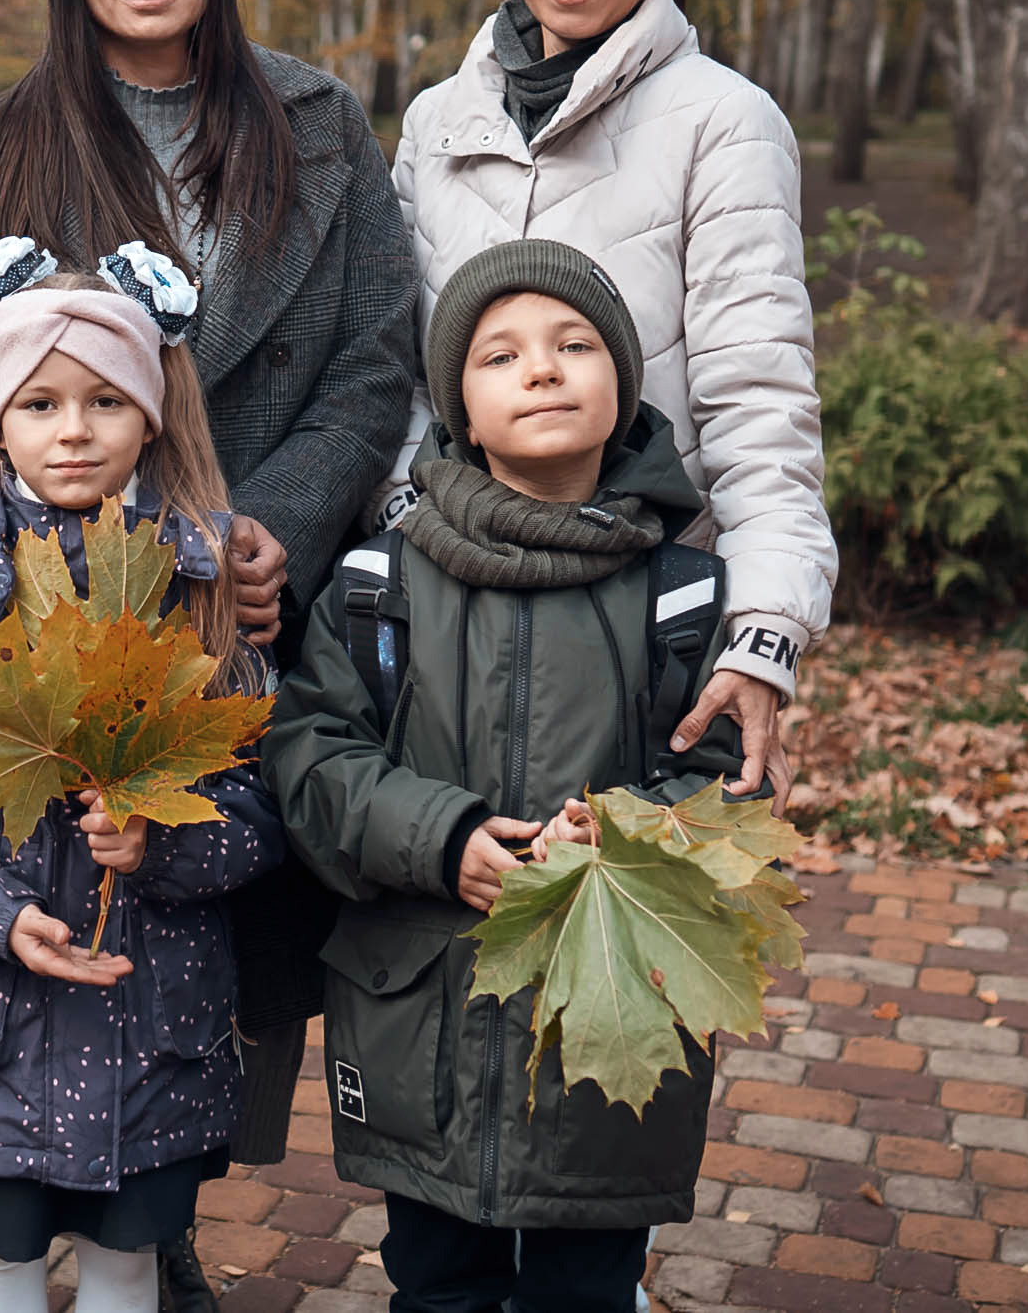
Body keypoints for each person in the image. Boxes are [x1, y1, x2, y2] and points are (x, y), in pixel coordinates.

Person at [0, 0, 417, 1301]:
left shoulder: (321, 123)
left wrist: (256, 528)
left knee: (216, 906)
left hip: (263, 592)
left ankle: (164, 1211)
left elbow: (374, 357)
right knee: (71, 886)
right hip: (44, 622)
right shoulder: (7, 149)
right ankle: (55, 1204)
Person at [265, 238, 752, 1313]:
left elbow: (730, 791)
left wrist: (619, 839)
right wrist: (443, 836)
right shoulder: (379, 587)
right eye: (500, 354)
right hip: (420, 1018)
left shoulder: (680, 595)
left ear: (622, 388)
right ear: (458, 413)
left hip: (607, 1024)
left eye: (574, 344)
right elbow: (313, 760)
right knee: (436, 1284)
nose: (541, 368)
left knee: (587, 1287)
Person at [0, 246, 283, 1313]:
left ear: (155, 413)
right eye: (39, 400)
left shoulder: (203, 584)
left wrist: (165, 842)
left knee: (129, 1256)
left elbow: (264, 803)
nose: (72, 428)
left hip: (152, 1020)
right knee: (4, 1251)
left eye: (104, 400)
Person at [383, 0, 834, 813]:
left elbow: (756, 403)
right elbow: (404, 382)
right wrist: (405, 549)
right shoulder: (436, 125)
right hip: (451, 641)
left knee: (623, 953)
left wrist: (762, 636)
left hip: (640, 643)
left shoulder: (724, 125)